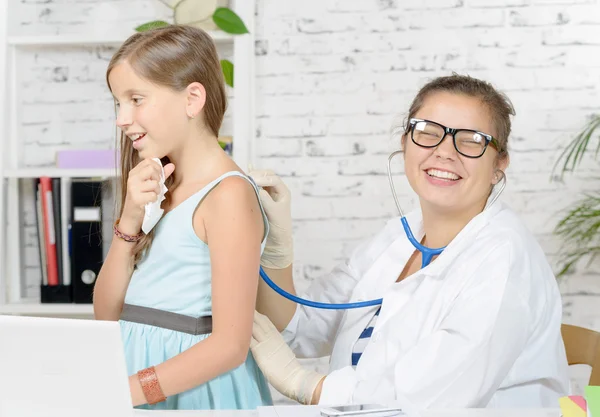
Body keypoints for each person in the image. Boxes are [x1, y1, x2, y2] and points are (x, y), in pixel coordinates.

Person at [249, 74, 570, 410]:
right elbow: (303, 327)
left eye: (472, 140)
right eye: (428, 132)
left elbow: (442, 392)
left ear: (498, 164)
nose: (445, 152)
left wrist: (307, 385)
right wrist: (277, 248)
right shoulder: (397, 238)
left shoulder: (505, 258)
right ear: (405, 142)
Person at [93, 25, 272, 410]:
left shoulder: (228, 197)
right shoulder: (156, 188)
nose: (122, 120)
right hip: (136, 383)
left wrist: (130, 391)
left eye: (136, 99)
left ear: (192, 99)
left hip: (192, 394)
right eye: (117, 103)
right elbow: (106, 314)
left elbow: (229, 345)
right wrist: (128, 222)